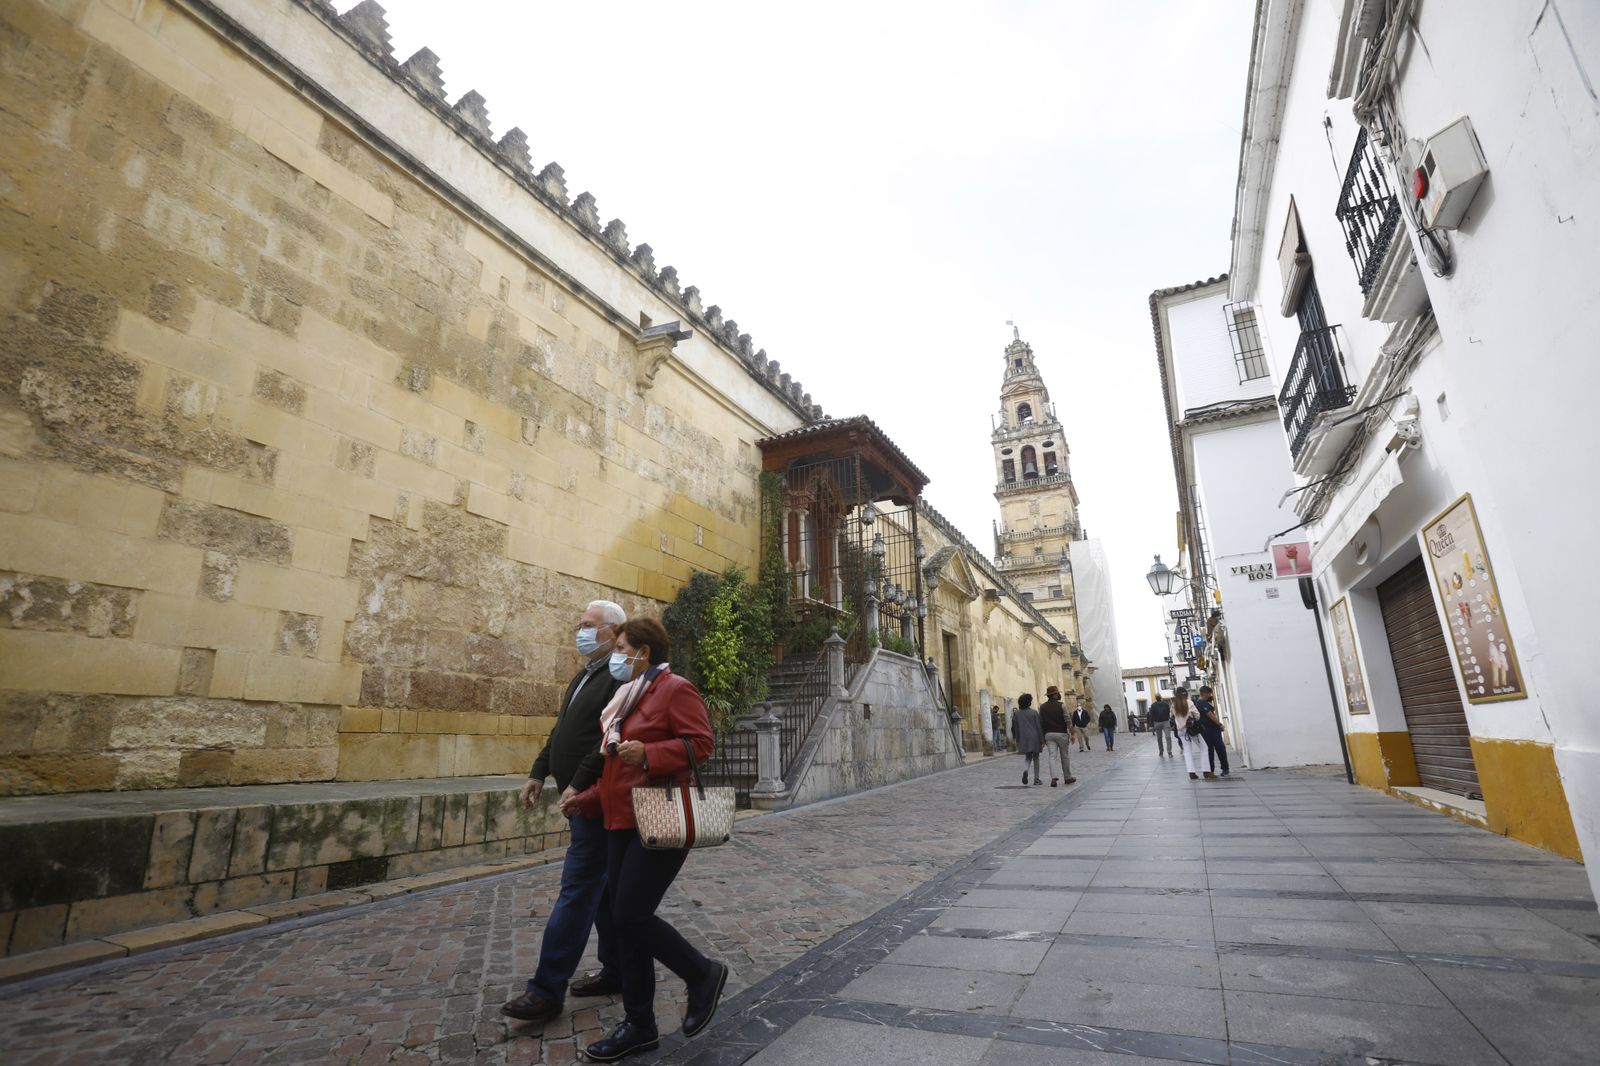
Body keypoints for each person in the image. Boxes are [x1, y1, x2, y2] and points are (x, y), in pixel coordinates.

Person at [563, 618, 727, 1062]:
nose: (616, 655)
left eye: (621, 647)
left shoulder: (674, 689)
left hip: (659, 820)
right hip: (619, 822)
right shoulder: (624, 700)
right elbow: (617, 768)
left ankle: (702, 973)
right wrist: (589, 798)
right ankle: (640, 1025)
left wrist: (652, 753)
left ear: (643, 652)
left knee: (632, 915)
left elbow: (702, 742)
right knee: (622, 921)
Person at [502, 600, 627, 1025]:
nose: (581, 631)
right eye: (579, 625)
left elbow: (606, 739)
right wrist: (540, 772)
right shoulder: (584, 675)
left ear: (613, 631)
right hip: (578, 797)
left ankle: (546, 989)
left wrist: (577, 782)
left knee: (577, 890)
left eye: (588, 625)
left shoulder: (616, 675)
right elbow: (562, 730)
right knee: (603, 891)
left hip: (595, 798)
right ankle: (619, 970)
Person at [1038, 686, 1077, 787]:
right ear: (1055, 695)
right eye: (1057, 693)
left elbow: (1041, 723)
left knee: (1052, 756)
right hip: (1062, 734)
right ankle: (1067, 777)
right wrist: (1072, 734)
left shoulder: (1042, 707)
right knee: (1065, 756)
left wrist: (1042, 738)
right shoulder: (1062, 705)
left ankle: (1053, 778)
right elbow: (1068, 720)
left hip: (1049, 734)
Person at [1195, 685, 1231, 779]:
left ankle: (1216, 769)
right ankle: (1215, 770)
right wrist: (1219, 724)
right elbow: (1210, 714)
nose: (1210, 695)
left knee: (1216, 749)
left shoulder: (1204, 702)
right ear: (1204, 693)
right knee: (1217, 749)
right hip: (1209, 730)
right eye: (1209, 693)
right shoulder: (1201, 702)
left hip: (1211, 730)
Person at [1011, 692, 1044, 785]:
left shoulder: (1016, 714)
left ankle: (1025, 770)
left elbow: (1015, 728)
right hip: (1035, 737)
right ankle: (1036, 779)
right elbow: (1039, 727)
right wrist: (1042, 740)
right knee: (1036, 758)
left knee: (1028, 757)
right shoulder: (1034, 713)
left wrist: (1017, 740)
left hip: (1023, 737)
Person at [1172, 688, 1203, 780]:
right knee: (1204, 748)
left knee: (1187, 751)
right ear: (1186, 694)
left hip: (1181, 730)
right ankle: (1206, 771)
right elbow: (1197, 716)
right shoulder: (1189, 702)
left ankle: (1191, 772)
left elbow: (1173, 716)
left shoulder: (1173, 705)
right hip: (1191, 729)